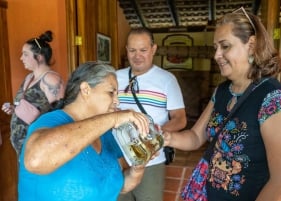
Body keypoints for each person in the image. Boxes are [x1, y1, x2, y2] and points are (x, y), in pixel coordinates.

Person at [163, 7, 281, 201]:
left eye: (225, 46)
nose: (217, 55)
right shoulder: (222, 91)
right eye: (215, 48)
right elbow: (195, 136)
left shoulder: (272, 97)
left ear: (251, 45)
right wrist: (165, 138)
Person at [18, 61, 152, 201]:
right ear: (86, 89)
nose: (117, 101)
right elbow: (35, 160)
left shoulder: (106, 133)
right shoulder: (50, 122)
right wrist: (114, 118)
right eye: (111, 93)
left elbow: (119, 185)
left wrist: (138, 167)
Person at [116, 27, 187, 201]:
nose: (137, 55)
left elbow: (180, 118)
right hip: (117, 159)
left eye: (143, 50)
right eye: (132, 50)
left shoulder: (167, 80)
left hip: (150, 159)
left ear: (153, 49)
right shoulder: (115, 77)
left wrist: (154, 136)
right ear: (126, 50)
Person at [1, 30, 65, 156]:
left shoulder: (51, 80)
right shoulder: (29, 78)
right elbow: (35, 106)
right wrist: (15, 109)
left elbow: (60, 116)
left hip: (40, 151)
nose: (21, 58)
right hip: (24, 151)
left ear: (39, 57)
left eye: (25, 54)